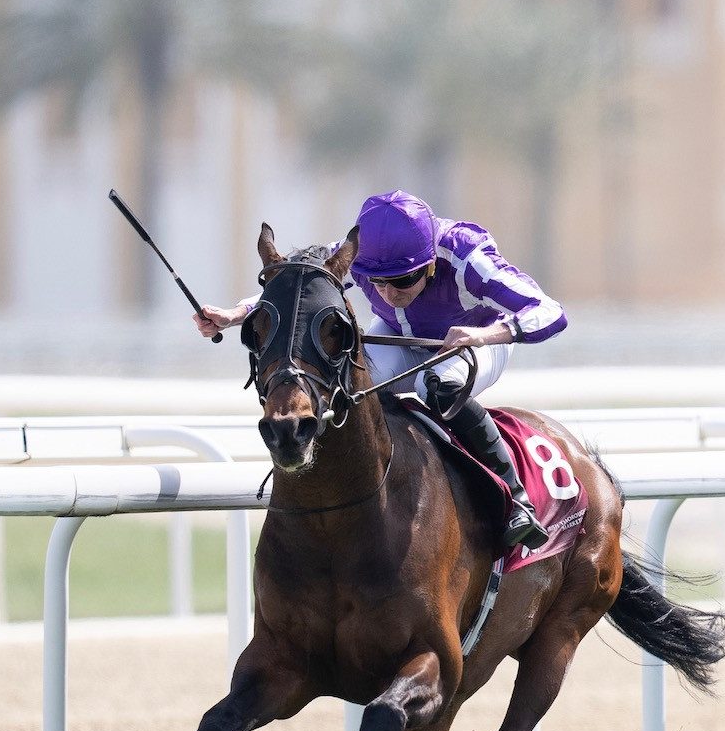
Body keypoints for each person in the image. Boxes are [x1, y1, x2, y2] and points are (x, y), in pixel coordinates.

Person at [197, 191, 565, 550]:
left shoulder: (467, 256)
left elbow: (548, 311)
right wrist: (233, 315)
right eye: (377, 282)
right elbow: (294, 287)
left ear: (431, 262)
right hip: (398, 336)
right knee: (356, 384)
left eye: (403, 280)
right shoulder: (356, 250)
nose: (388, 294)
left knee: (437, 385)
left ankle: (516, 498)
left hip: (473, 342)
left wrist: (484, 335)